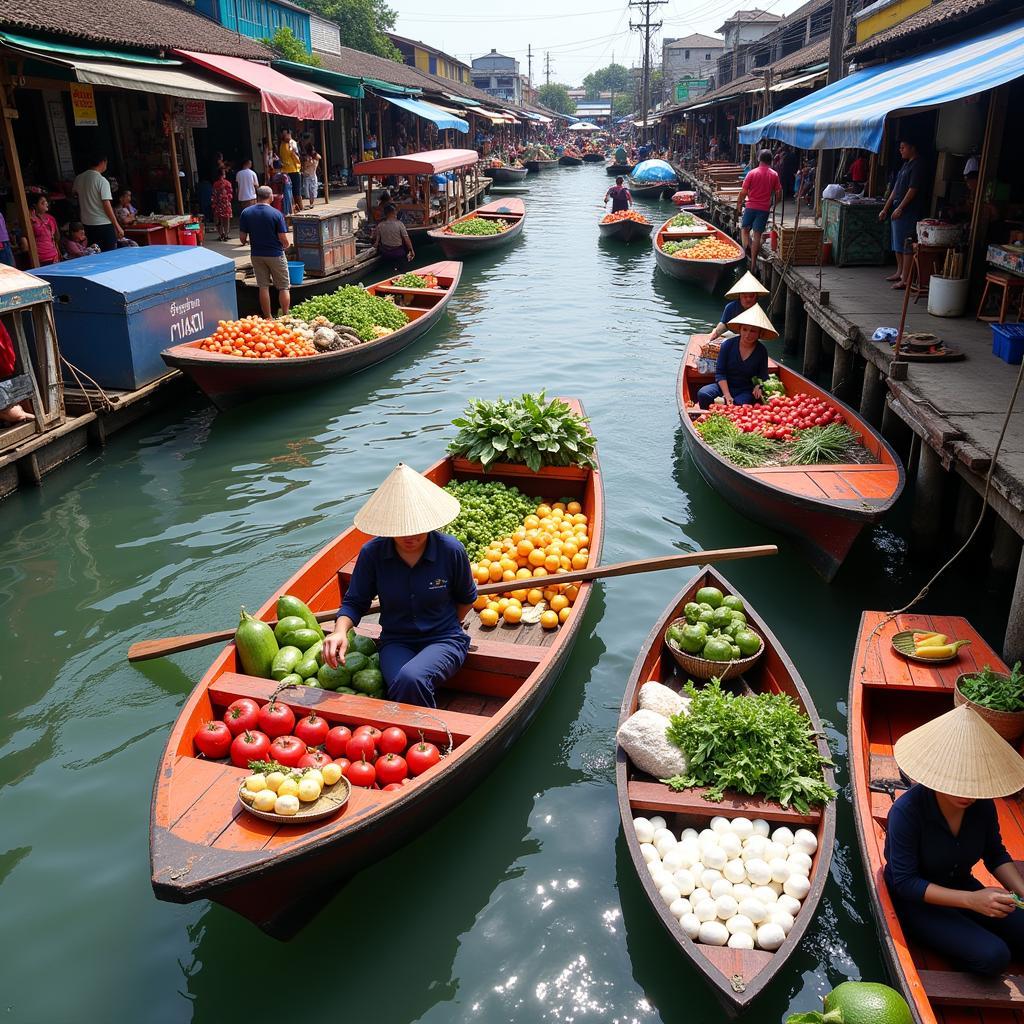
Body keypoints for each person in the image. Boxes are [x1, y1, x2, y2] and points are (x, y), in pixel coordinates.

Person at [885, 704, 1024, 977]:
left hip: (964, 887)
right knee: (994, 957)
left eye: (974, 784)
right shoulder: (906, 812)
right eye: (959, 782)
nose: (968, 794)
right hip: (918, 902)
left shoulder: (982, 806)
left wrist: (1020, 890)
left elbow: (995, 854)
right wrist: (972, 901)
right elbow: (906, 883)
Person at [322, 463, 476, 709]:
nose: (410, 536)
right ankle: (422, 741)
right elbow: (355, 602)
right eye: (402, 529)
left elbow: (467, 598)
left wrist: (447, 622)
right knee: (401, 685)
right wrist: (340, 631)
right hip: (397, 641)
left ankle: (429, 741)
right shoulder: (372, 554)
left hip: (444, 638)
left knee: (411, 678)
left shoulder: (451, 550)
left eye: (417, 527)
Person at [697, 302, 774, 409]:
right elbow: (720, 373)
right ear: (740, 330)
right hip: (724, 386)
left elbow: (763, 376)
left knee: (740, 405)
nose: (748, 334)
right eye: (745, 329)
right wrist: (727, 395)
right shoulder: (728, 345)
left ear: (759, 333)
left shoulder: (761, 351)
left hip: (745, 390)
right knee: (703, 394)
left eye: (753, 331)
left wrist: (759, 386)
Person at [879, 138, 926, 290]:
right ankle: (899, 272)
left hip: (908, 211)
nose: (901, 150)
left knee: (906, 244)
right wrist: (886, 208)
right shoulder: (906, 165)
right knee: (897, 243)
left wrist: (901, 208)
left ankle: (905, 279)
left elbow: (913, 189)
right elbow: (895, 190)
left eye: (903, 147)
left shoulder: (918, 165)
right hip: (897, 208)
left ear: (913, 148)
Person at [238, 185, 291, 319]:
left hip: (256, 255)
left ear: (257, 196)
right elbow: (283, 238)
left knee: (263, 286)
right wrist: (287, 245)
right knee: (284, 286)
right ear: (271, 196)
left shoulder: (246, 213)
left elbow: (242, 239)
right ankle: (285, 316)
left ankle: (268, 317)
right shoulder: (276, 214)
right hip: (275, 254)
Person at [736, 149, 781, 273]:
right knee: (757, 236)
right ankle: (754, 263)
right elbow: (778, 193)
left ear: (759, 159)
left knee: (744, 229)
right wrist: (774, 205)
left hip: (751, 206)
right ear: (771, 160)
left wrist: (739, 203)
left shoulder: (752, 173)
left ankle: (747, 252)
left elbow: (743, 192)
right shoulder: (774, 175)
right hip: (764, 208)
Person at [72, 154, 123, 251]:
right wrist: (117, 225)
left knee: (94, 253)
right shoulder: (101, 180)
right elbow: (106, 204)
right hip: (103, 223)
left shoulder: (79, 178)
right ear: (102, 163)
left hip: (87, 223)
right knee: (109, 254)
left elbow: (74, 195)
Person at [708, 271, 769, 341]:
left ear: (756, 297)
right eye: (745, 296)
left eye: (751, 296)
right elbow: (724, 324)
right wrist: (715, 334)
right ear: (740, 296)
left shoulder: (758, 312)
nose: (748, 299)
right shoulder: (731, 307)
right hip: (735, 335)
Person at [23, 194, 60, 266]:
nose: (46, 203)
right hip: (39, 258)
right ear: (35, 206)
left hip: (54, 256)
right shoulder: (30, 220)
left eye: (46, 201)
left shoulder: (51, 218)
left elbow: (57, 237)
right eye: (42, 202)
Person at [278, 129, 303, 212]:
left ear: (289, 134)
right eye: (282, 134)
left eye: (284, 134)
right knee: (288, 191)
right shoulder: (281, 144)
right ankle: (292, 208)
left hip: (294, 170)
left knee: (296, 191)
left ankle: (300, 207)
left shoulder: (292, 143)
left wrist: (292, 151)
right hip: (285, 171)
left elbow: (297, 157)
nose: (283, 135)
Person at [211, 169, 233, 241]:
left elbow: (213, 195)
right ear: (224, 175)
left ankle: (221, 234)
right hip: (226, 204)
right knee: (226, 219)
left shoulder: (215, 184)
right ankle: (226, 234)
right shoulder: (228, 183)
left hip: (218, 204)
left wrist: (214, 203)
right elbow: (230, 194)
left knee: (218, 220)